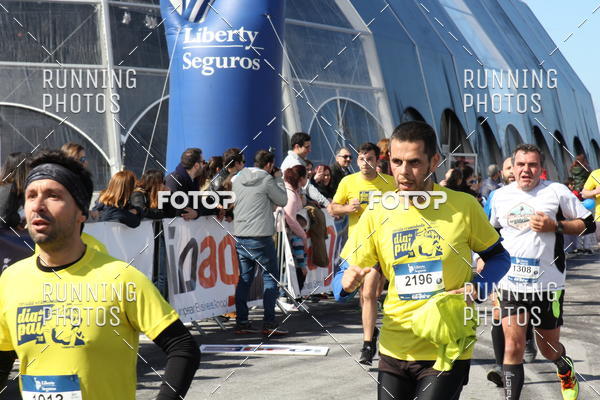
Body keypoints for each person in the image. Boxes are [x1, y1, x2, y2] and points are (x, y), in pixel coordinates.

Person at [0, 150, 200, 399]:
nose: (38, 206)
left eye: (53, 195)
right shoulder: (11, 280)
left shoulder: (121, 278)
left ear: (81, 212)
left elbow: (183, 347)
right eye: (31, 196)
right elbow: (3, 359)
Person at [333, 121, 510, 399]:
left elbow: (499, 257)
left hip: (448, 346)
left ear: (434, 161)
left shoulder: (463, 207)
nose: (403, 172)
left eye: (414, 162)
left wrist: (478, 286)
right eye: (396, 162)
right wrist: (345, 284)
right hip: (395, 346)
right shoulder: (377, 213)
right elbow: (339, 282)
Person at [489, 144, 595, 400]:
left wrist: (555, 226)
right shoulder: (500, 196)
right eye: (521, 164)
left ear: (540, 168)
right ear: (512, 168)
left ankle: (563, 366)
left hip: (547, 285)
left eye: (532, 165)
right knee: (513, 346)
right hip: (511, 283)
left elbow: (589, 225)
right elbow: (492, 233)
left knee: (547, 347)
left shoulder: (556, 192)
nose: (526, 170)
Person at [330, 142, 397, 365]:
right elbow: (333, 208)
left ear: (377, 161)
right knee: (366, 294)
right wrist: (348, 208)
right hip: (358, 247)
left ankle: (369, 340)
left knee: (370, 293)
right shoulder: (348, 182)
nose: (365, 163)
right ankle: (369, 339)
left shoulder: (389, 183)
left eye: (369, 159)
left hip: (382, 247)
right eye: (361, 159)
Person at [232, 150, 289, 335]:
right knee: (270, 279)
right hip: (261, 237)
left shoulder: (238, 179)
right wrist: (279, 179)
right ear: (269, 165)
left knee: (244, 280)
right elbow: (282, 200)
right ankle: (269, 323)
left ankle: (242, 322)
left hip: (241, 235)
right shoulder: (267, 180)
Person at [165, 148, 220, 220]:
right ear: (196, 165)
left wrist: (217, 209)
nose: (205, 165)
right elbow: (182, 212)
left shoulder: (193, 180)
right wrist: (198, 212)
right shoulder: (174, 181)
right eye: (203, 162)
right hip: (172, 226)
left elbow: (197, 206)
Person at [280, 132, 330, 209]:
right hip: (292, 207)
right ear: (297, 146)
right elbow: (307, 187)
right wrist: (327, 204)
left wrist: (309, 201)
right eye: (307, 147)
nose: (310, 150)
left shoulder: (292, 160)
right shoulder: (295, 163)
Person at [283, 166, 309, 294]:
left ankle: (293, 296)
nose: (307, 180)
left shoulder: (295, 192)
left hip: (292, 235)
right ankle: (290, 296)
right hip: (291, 236)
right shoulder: (291, 195)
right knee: (293, 268)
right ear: (300, 179)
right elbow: (290, 219)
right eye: (306, 177)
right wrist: (303, 235)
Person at [0, 152, 29, 230]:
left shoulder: (5, 184)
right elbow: (5, 216)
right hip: (4, 231)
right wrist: (18, 220)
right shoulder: (13, 188)